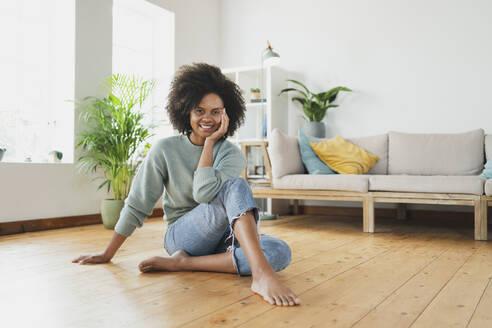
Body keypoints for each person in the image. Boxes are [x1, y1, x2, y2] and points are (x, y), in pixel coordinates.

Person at [73, 63, 301, 306]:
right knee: (237, 187)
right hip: (183, 236)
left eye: (216, 112)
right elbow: (140, 203)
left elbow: (205, 192)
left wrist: (211, 143)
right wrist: (108, 253)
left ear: (227, 114)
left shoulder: (232, 154)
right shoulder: (165, 149)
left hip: (223, 238)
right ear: (186, 112)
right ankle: (261, 274)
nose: (207, 118)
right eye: (199, 110)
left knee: (279, 251)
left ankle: (184, 263)